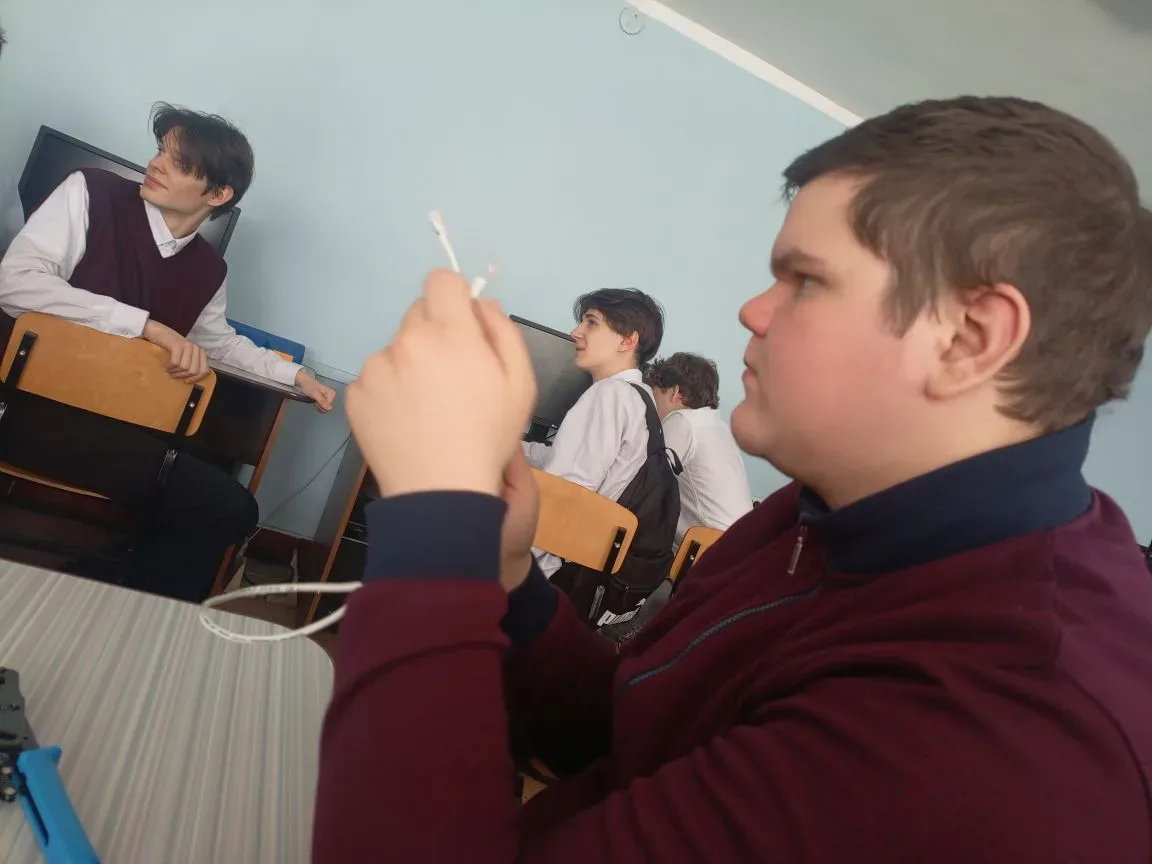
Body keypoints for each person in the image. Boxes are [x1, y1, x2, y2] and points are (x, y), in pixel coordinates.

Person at [313, 96, 1152, 862]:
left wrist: (434, 525)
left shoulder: (991, 724)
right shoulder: (819, 513)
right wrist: (502, 577)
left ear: (971, 337)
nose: (753, 310)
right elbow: (632, 735)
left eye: (806, 280)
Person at [0, 103, 336, 602]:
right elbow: (15, 284)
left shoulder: (208, 270)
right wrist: (146, 326)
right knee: (202, 489)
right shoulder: (89, 190)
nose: (155, 164)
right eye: (160, 151)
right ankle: (106, 587)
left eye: (178, 163)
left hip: (106, 432)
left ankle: (124, 604)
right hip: (21, 410)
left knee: (230, 505)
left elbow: (217, 343)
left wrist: (296, 376)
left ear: (218, 194)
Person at [522, 287, 665, 576]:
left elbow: (563, 497)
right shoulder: (637, 396)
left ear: (627, 340)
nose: (576, 332)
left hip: (541, 568)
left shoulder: (609, 394)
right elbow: (569, 462)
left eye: (591, 323)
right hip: (574, 560)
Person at [647, 352, 752, 543]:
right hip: (736, 542)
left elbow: (645, 478)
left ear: (675, 392)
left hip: (709, 545)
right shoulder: (716, 425)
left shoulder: (683, 421)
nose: (653, 407)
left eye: (656, 397)